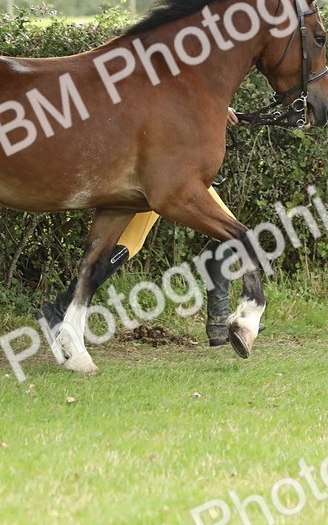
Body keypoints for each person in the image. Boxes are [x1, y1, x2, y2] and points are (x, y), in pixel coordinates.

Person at [35, 108, 242, 347]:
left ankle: (219, 321)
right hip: (164, 168)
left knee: (223, 229)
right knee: (228, 230)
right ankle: (60, 310)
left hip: (166, 165)